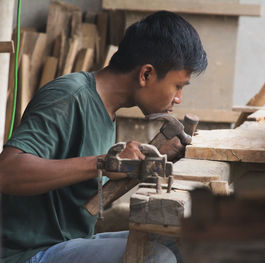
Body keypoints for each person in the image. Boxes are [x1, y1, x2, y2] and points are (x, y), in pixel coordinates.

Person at [0, 10, 207, 263]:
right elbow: (7, 173)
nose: (178, 99)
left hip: (71, 242)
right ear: (146, 74)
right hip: (27, 253)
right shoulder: (70, 96)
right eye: (178, 86)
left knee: (184, 242)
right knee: (156, 257)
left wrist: (150, 159)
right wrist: (103, 162)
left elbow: (86, 199)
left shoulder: (107, 109)